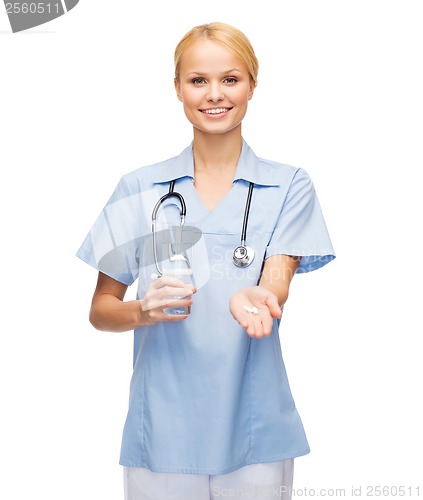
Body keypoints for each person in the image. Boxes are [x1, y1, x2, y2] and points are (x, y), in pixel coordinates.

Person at [77, 22, 335, 500]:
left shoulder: (289, 186)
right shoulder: (140, 189)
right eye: (198, 80)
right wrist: (141, 311)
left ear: (253, 85)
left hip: (255, 429)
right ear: (177, 87)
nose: (214, 94)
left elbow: (277, 276)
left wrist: (262, 295)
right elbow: (101, 308)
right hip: (164, 431)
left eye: (230, 79)